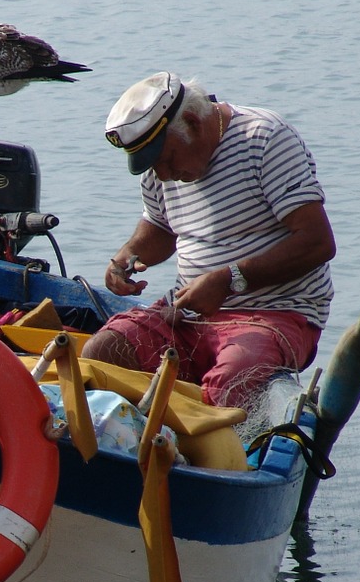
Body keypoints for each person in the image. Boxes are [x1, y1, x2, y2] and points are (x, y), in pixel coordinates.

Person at [87, 71, 336, 409]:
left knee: (234, 381)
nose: (162, 174)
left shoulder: (264, 138)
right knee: (102, 353)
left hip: (273, 316)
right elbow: (160, 229)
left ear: (193, 121)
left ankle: (209, 450)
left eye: (167, 159)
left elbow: (317, 243)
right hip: (187, 317)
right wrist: (125, 257)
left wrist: (228, 280)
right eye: (153, 165)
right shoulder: (159, 166)